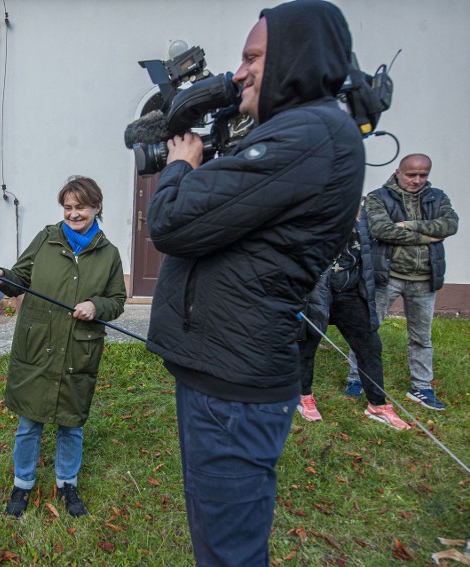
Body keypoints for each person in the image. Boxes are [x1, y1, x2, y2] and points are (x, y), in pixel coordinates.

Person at [145, 1, 364, 564]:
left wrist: (182, 165)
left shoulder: (310, 135)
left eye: (251, 58)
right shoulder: (297, 132)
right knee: (218, 543)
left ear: (296, 56)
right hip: (221, 373)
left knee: (228, 554)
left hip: (233, 390)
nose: (238, 72)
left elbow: (172, 222)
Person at [0, 176, 126, 518]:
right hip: (39, 346)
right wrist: (2, 277)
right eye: (67, 207)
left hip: (79, 349)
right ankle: (22, 484)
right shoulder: (46, 239)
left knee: (71, 423)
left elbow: (117, 300)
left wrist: (96, 306)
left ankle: (67, 483)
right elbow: (18, 280)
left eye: (81, 207)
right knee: (29, 423)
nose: (73, 214)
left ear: (97, 208)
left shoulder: (109, 254)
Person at [346, 154, 459, 410]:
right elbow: (381, 230)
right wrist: (427, 237)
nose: (417, 180)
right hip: (387, 276)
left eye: (423, 175)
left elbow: (450, 225)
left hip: (424, 279)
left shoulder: (438, 197)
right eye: (411, 175)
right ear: (398, 172)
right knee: (367, 331)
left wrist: (409, 224)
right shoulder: (378, 197)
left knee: (421, 337)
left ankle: (421, 387)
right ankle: (356, 379)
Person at [297, 216, 411, 430]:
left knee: (370, 344)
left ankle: (377, 404)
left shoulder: (359, 217)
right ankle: (303, 395)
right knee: (307, 342)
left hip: (348, 291)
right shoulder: (306, 211)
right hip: (314, 291)